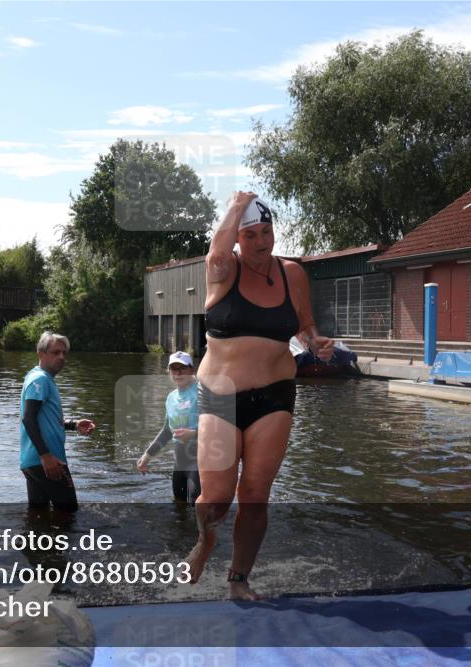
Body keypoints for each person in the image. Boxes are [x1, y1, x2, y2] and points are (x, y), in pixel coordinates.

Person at [186, 191, 333, 600]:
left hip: (275, 394)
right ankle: (205, 541)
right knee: (214, 496)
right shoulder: (222, 270)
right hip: (219, 393)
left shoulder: (292, 274)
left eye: (266, 232)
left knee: (254, 495)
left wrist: (313, 341)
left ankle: (238, 579)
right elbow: (216, 250)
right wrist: (234, 207)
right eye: (250, 235)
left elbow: (304, 325)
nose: (261, 242)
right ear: (236, 238)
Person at [19, 332, 96, 512]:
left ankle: (37, 541)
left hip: (33, 462)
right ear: (41, 354)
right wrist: (46, 456)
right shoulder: (41, 379)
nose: (61, 357)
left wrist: (73, 424)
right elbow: (28, 418)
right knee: (69, 515)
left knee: (39, 519)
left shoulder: (40, 377)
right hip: (48, 461)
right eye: (55, 352)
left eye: (64, 353)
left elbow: (44, 418)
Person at [137, 351, 201, 505]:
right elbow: (167, 431)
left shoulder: (202, 392)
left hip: (199, 463)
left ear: (192, 370)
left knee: (196, 508)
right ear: (169, 372)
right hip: (179, 464)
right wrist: (147, 456)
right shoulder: (171, 397)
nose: (178, 373)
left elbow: (219, 428)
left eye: (183, 368)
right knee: (178, 507)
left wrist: (193, 434)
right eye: (174, 368)